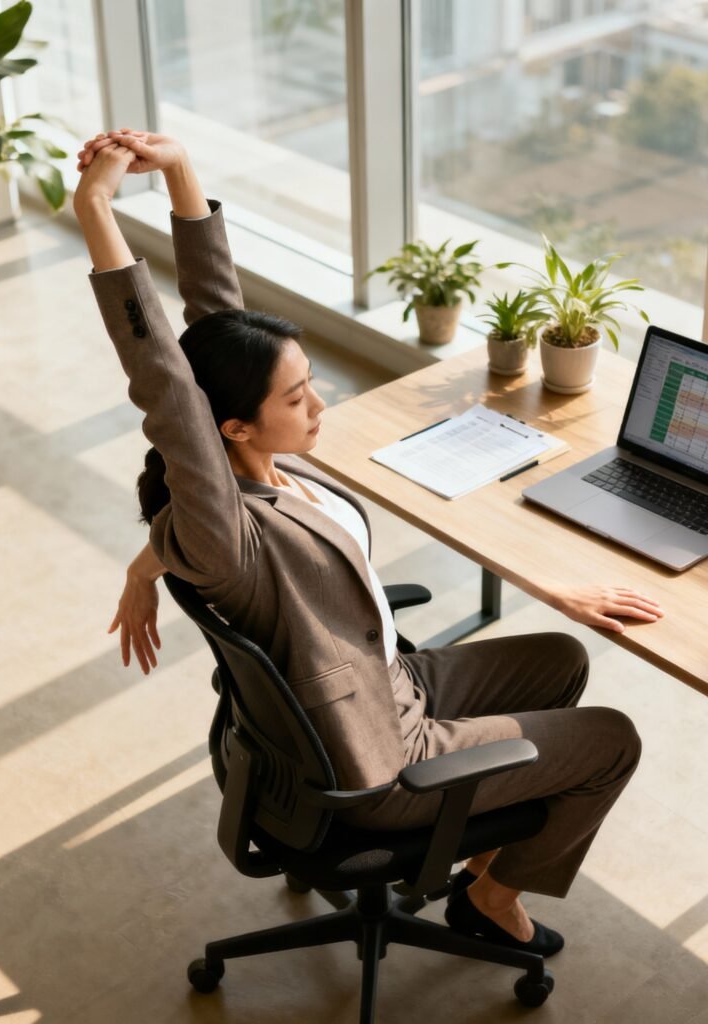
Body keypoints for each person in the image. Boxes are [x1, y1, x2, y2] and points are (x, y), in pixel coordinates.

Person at [74, 128, 662, 958]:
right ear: (231, 429)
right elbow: (166, 383)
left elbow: (217, 324)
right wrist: (94, 208)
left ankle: (488, 847)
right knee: (613, 740)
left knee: (561, 658)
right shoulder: (225, 528)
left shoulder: (253, 466)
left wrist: (180, 173)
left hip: (384, 683)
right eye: (296, 399)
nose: (318, 406)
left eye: (309, 384)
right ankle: (490, 895)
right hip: (377, 756)